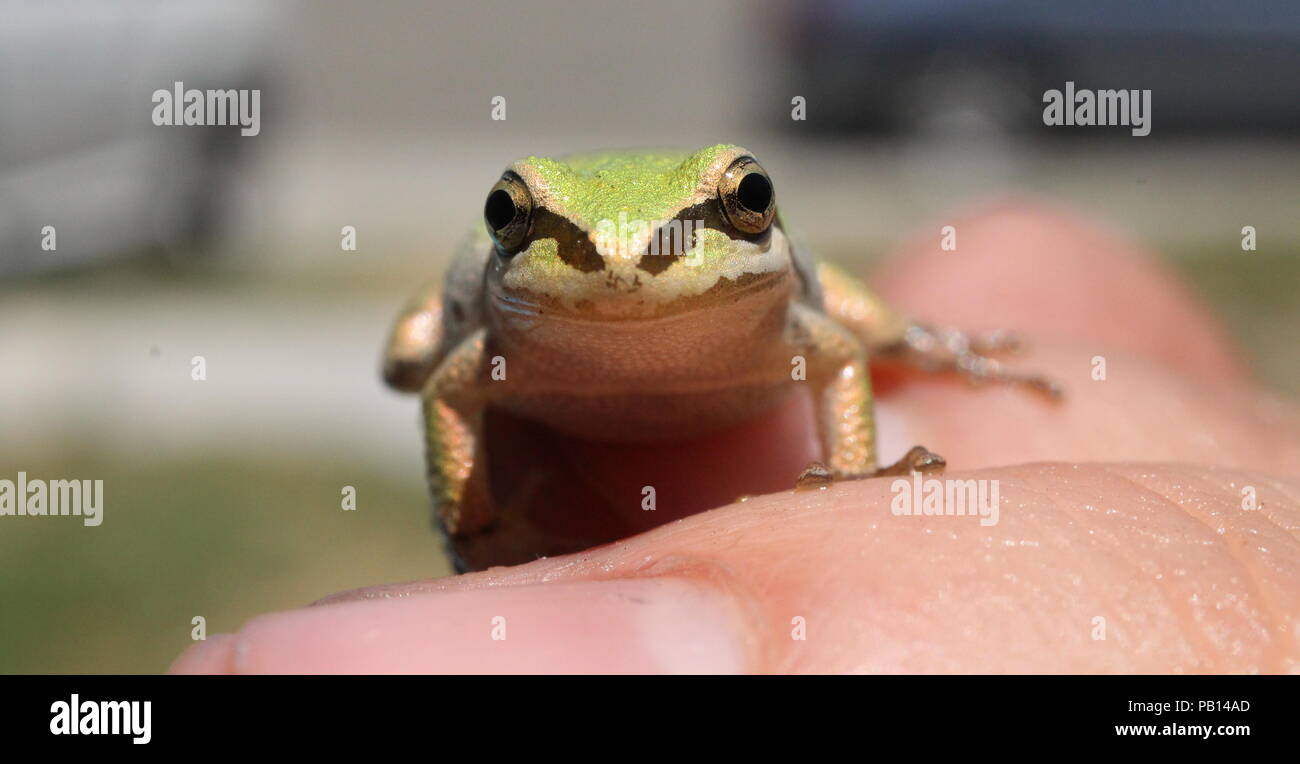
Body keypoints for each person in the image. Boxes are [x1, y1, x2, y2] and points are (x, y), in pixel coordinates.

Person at [171, 202, 1300, 674]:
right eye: (528, 223)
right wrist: (476, 522)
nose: (627, 261)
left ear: (757, 219)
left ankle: (927, 337)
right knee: (410, 347)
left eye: (741, 203)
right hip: (517, 336)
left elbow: (844, 352)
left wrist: (852, 472)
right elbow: (441, 388)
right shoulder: (496, 341)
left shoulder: (797, 316)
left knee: (891, 325)